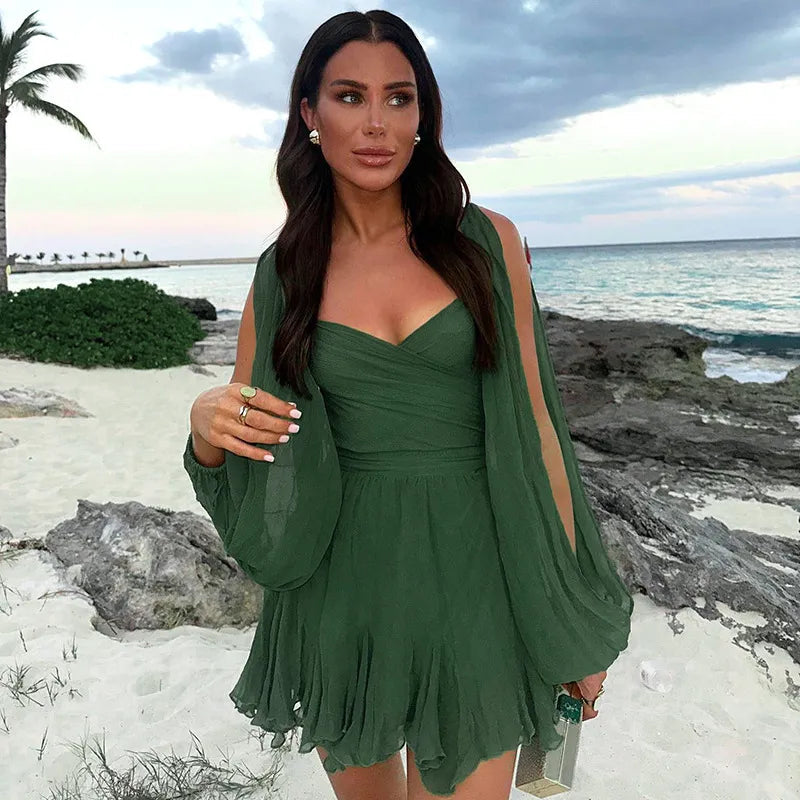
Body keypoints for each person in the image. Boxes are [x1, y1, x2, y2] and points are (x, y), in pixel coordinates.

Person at [184, 9, 632, 800]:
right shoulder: (283, 273)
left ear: (424, 114)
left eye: (399, 97)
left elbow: (539, 436)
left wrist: (569, 621)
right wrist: (205, 429)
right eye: (350, 96)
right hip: (338, 585)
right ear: (310, 114)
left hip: (477, 575)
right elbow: (263, 463)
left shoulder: (486, 241)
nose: (377, 123)